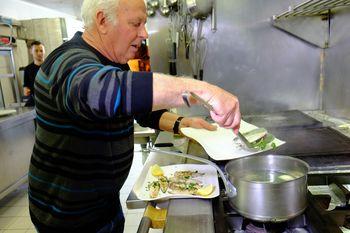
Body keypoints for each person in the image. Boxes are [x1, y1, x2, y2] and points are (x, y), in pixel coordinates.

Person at [28, 0, 241, 232]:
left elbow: (144, 112)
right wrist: (205, 91)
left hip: (104, 205)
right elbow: (101, 92)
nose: (144, 33)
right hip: (66, 217)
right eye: (136, 24)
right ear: (102, 21)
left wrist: (184, 124)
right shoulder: (66, 61)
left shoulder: (116, 64)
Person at [23, 41, 45, 106]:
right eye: (36, 51)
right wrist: (26, 90)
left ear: (44, 51)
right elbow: (26, 86)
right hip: (35, 99)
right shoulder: (27, 69)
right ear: (31, 51)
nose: (39, 53)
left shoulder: (50, 66)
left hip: (48, 99)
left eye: (41, 51)